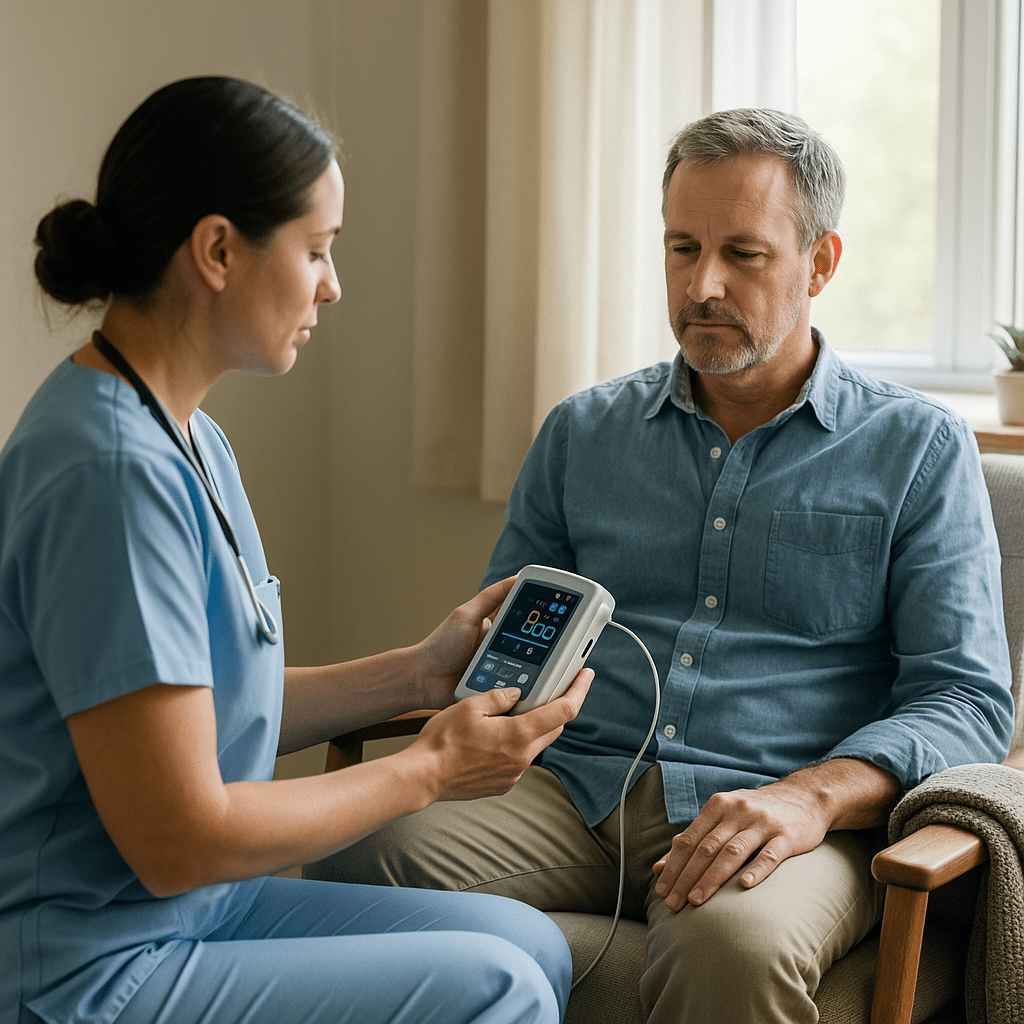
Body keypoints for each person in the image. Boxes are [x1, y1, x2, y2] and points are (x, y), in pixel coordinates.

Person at [308, 108, 1016, 1023]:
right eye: (682, 248)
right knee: (353, 853)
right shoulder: (583, 432)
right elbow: (505, 646)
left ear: (822, 263)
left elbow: (967, 699)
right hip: (574, 789)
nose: (702, 284)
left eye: (744, 255)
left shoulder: (917, 449)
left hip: (783, 813)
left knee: (727, 945)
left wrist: (809, 798)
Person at [0, 76, 593, 1024]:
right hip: (88, 960)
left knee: (532, 943)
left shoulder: (188, 436)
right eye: (317, 250)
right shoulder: (105, 473)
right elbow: (179, 837)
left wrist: (418, 675)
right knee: (501, 986)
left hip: (192, 912)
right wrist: (429, 770)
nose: (333, 283)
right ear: (219, 251)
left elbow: (202, 711)